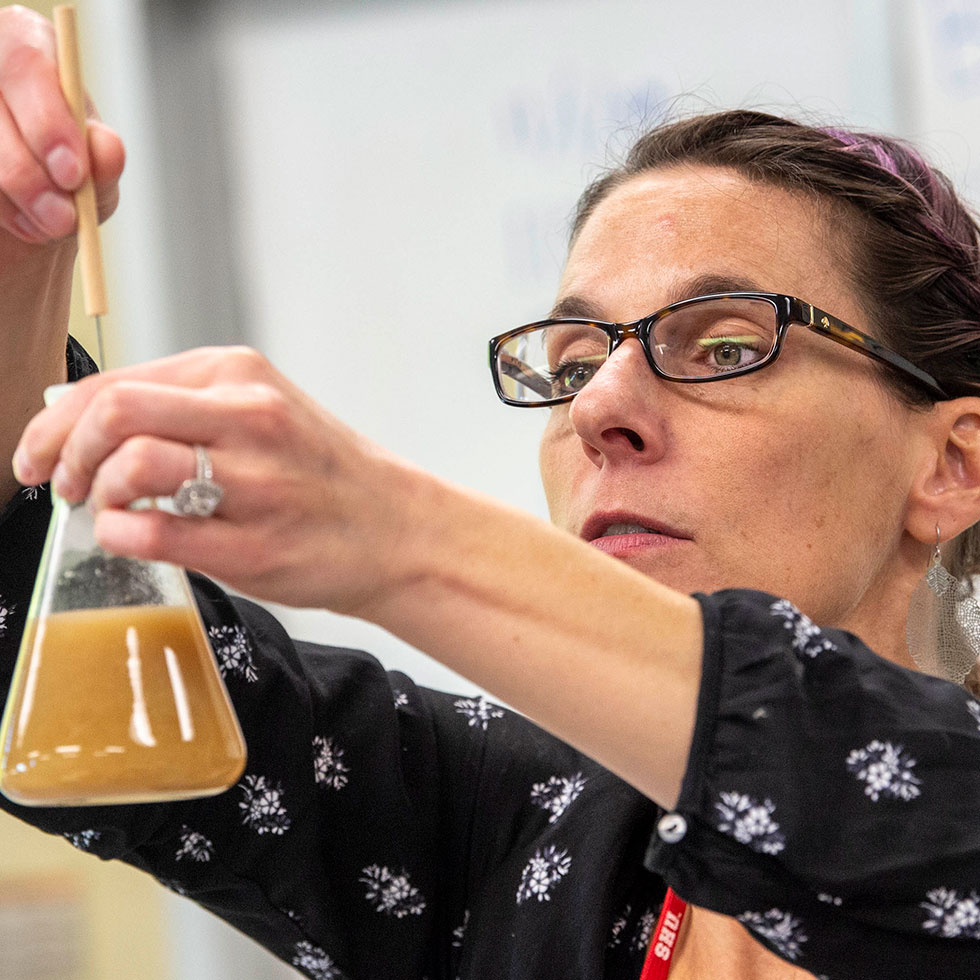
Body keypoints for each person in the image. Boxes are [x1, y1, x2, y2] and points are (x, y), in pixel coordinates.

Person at [0, 6, 979, 979]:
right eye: (571, 359)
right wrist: (22, 248)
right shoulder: (526, 833)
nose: (597, 406)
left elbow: (865, 790)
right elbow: (38, 623)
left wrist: (396, 533)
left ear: (951, 465)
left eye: (723, 344)